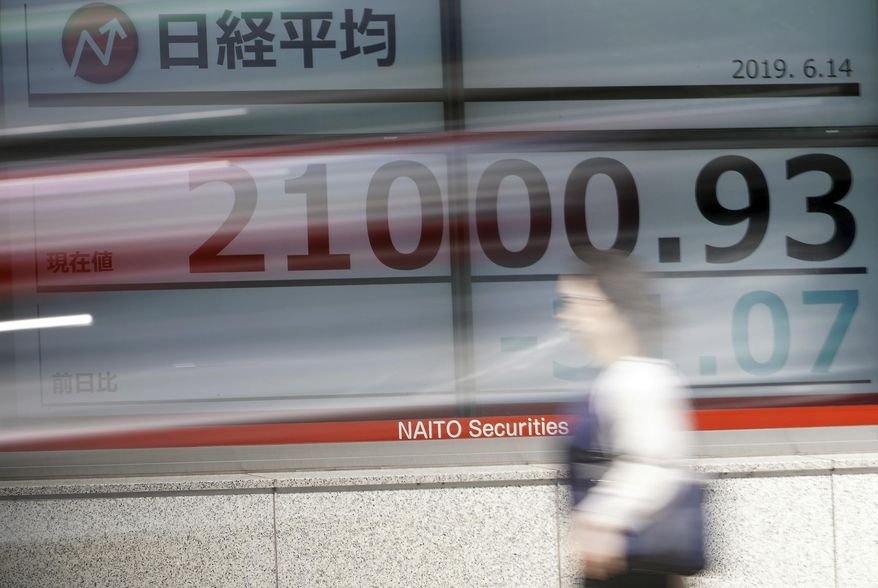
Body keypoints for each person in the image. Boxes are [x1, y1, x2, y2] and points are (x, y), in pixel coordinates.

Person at [557, 250, 702, 587]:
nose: (565, 315)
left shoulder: (638, 378)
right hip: (621, 561)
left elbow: (653, 465)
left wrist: (603, 520)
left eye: (575, 303)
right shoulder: (616, 376)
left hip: (631, 561)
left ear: (610, 307)